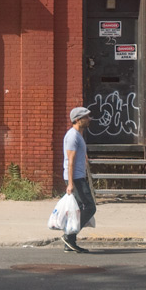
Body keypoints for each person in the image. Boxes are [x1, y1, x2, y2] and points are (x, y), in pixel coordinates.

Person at [61, 106, 97, 253]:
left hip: (79, 177)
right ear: (77, 120)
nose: (89, 119)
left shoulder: (78, 135)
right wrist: (70, 183)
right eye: (86, 117)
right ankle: (69, 236)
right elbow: (70, 161)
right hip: (75, 178)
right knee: (90, 207)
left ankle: (70, 242)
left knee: (80, 209)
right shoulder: (72, 136)